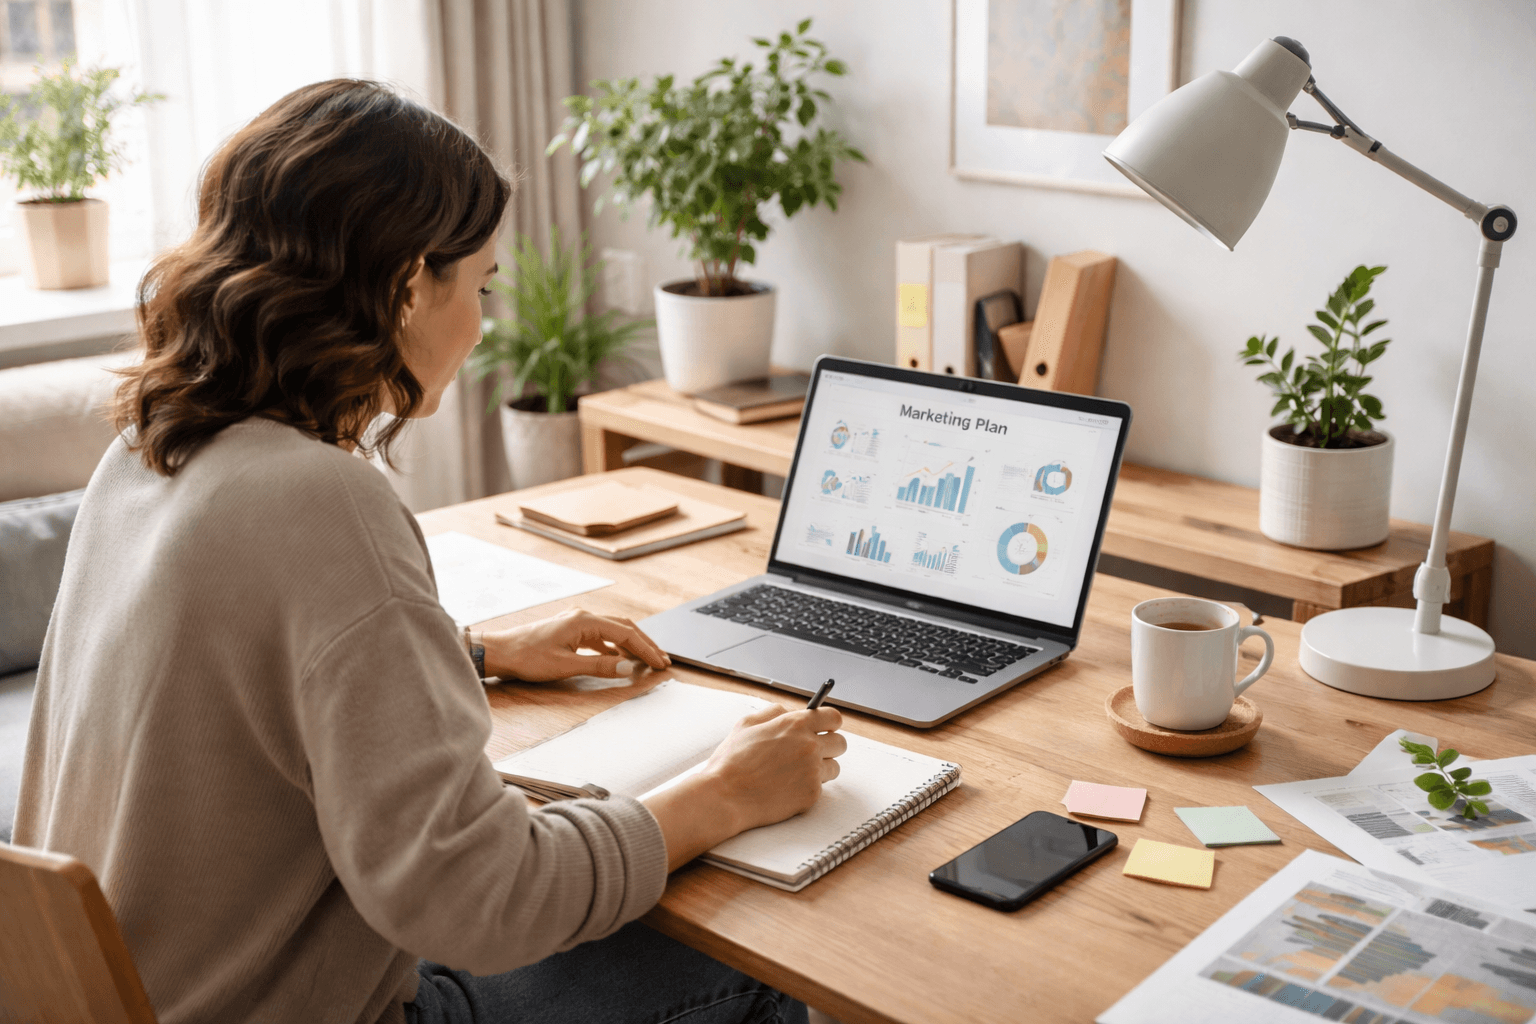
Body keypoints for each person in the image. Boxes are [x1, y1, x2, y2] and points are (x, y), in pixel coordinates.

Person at [13, 79, 845, 1024]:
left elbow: (222, 686)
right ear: (412, 282)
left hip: (146, 996)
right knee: (763, 962)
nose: (484, 322)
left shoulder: (148, 447)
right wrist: (725, 793)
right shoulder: (322, 502)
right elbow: (485, 902)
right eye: (482, 282)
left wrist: (475, 654)